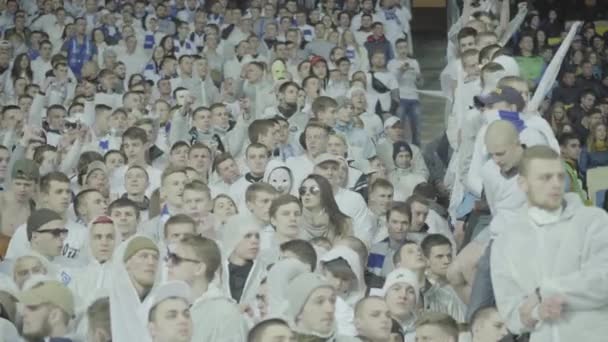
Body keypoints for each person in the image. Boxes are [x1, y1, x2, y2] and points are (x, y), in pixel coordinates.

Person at [491, 146, 608, 341]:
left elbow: (602, 281)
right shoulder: (505, 241)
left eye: (560, 176)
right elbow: (512, 315)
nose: (556, 184)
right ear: (523, 183)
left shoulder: (594, 221)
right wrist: (536, 313)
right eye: (545, 178)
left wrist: (542, 293)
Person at [167, 234, 248, 342]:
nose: (168, 264)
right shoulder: (164, 308)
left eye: (176, 259)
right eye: (169, 257)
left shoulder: (225, 314)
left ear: (199, 268)